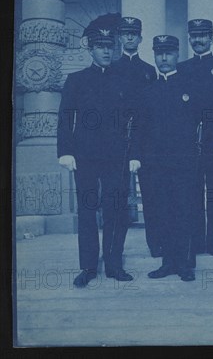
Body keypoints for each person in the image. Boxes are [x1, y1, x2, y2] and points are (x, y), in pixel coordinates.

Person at [57, 19, 132, 288]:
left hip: (116, 157)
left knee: (116, 210)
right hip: (85, 155)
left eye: (109, 46)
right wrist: (65, 152)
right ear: (90, 48)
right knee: (87, 211)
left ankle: (114, 264)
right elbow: (65, 118)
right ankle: (88, 266)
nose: (106, 51)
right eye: (100, 46)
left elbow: (133, 121)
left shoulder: (123, 81)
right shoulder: (76, 80)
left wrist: (132, 154)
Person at [129, 35, 207, 282]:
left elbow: (204, 124)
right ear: (154, 55)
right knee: (161, 213)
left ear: (177, 55)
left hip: (184, 163)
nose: (164, 58)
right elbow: (138, 128)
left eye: (169, 53)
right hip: (155, 165)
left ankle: (184, 263)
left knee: (184, 212)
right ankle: (167, 262)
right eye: (159, 53)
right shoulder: (145, 92)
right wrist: (137, 157)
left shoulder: (191, 88)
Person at [178, 18, 213, 257]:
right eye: (194, 35)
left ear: (212, 37)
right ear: (189, 38)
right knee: (192, 192)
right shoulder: (181, 69)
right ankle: (196, 239)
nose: (198, 40)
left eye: (203, 35)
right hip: (189, 142)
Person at [111, 16, 158, 253]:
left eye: (133, 33)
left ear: (140, 38)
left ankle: (155, 244)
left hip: (146, 142)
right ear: (120, 37)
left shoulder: (149, 72)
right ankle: (115, 251)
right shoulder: (111, 69)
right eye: (125, 33)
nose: (129, 37)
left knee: (151, 195)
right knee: (118, 197)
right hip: (118, 140)